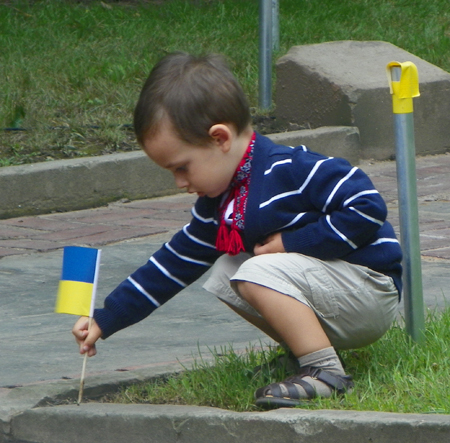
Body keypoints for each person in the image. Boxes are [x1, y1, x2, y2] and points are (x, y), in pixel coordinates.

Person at [73, 52, 402, 409]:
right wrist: (106, 319)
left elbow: (368, 206)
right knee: (227, 270)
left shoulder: (292, 167)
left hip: (368, 290)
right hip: (334, 297)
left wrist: (292, 242)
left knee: (255, 271)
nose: (180, 183)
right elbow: (172, 265)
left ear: (220, 138)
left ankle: (325, 373)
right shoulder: (222, 205)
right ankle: (303, 353)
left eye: (182, 167)